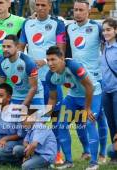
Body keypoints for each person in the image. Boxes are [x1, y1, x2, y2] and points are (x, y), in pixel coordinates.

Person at [18, 0, 66, 164]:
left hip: (52, 78)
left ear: (50, 6)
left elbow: (61, 49)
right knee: (35, 119)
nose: (40, 8)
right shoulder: (27, 24)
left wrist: (45, 61)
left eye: (43, 5)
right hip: (34, 81)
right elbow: (20, 48)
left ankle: (57, 154)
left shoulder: (58, 24)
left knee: (54, 117)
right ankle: (34, 153)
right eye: (37, 5)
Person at [45, 46, 101, 170]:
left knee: (89, 123)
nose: (50, 63)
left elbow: (89, 87)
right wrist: (45, 115)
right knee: (61, 124)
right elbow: (53, 98)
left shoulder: (74, 66)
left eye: (53, 59)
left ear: (62, 58)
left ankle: (94, 162)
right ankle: (68, 161)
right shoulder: (50, 76)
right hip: (73, 97)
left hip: (92, 94)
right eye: (48, 60)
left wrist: (87, 108)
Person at [66, 0, 108, 164]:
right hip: (78, 80)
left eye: (81, 10)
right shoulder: (70, 28)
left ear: (88, 12)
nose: (77, 13)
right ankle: (86, 151)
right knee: (79, 118)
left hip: (96, 79)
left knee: (98, 117)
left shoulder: (97, 27)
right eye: (75, 9)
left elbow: (106, 46)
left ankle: (103, 153)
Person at [0, 34, 44, 105]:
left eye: (9, 46)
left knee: (35, 116)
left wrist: (22, 107)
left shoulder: (28, 62)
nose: (5, 49)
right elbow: (2, 86)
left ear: (17, 47)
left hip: (36, 94)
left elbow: (34, 87)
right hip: (17, 95)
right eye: (3, 46)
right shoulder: (1, 62)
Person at [101, 18, 117, 146]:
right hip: (105, 91)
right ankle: (115, 154)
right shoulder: (103, 46)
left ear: (115, 31)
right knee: (111, 123)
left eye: (109, 30)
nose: (105, 33)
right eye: (104, 30)